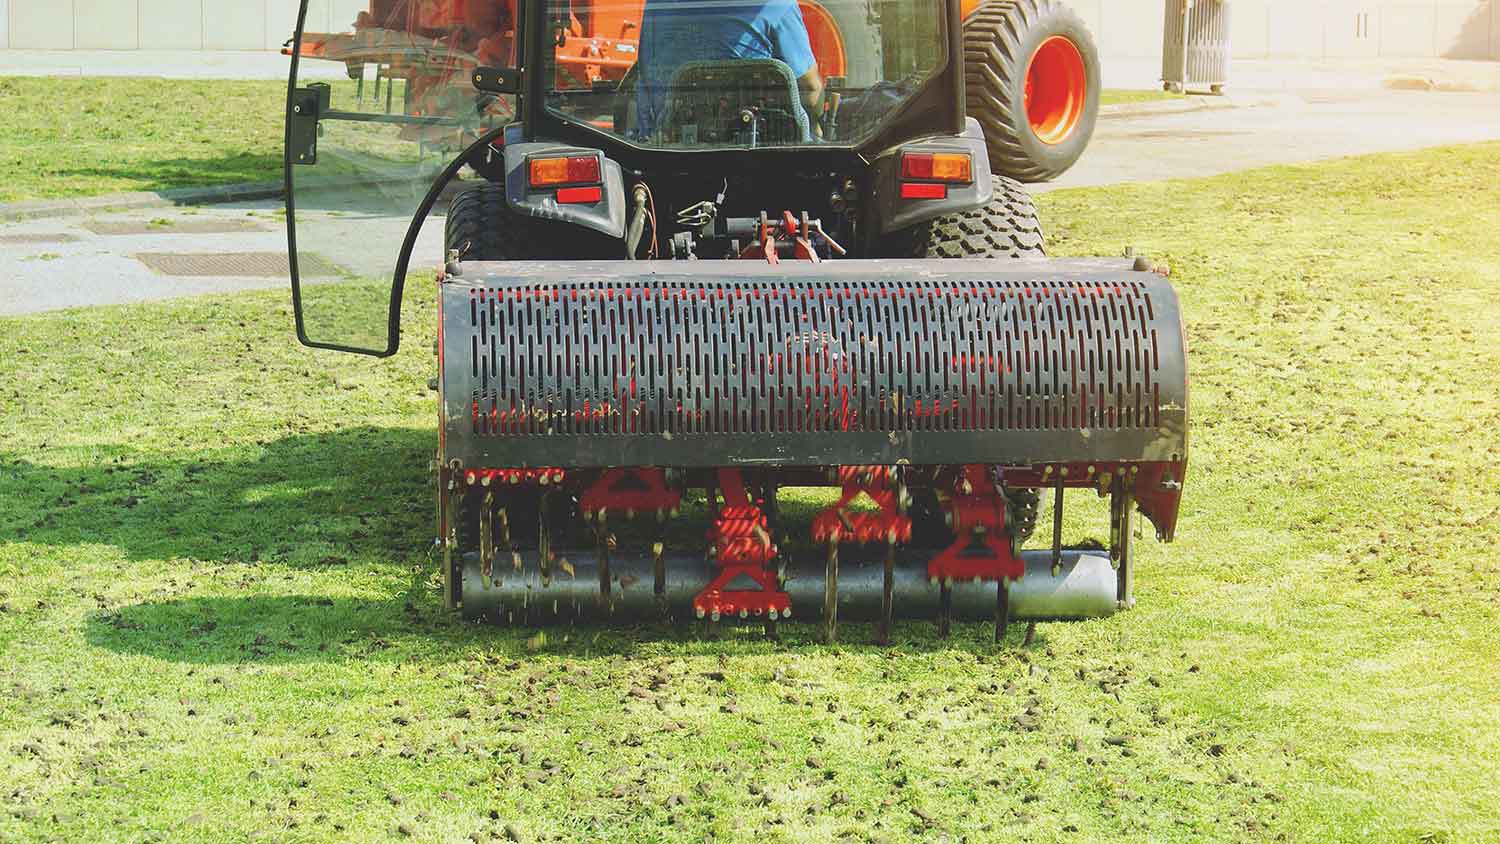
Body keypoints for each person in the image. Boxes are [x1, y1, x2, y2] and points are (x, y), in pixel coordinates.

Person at [635, 0, 825, 139]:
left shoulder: (657, 5)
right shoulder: (778, 6)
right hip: (756, 148)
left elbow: (647, 70)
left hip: (670, 144)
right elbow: (810, 88)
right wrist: (817, 127)